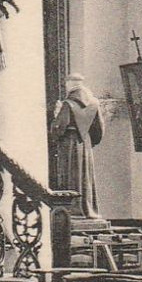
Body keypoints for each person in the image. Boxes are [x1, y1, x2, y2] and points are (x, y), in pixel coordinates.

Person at [51, 72, 104, 218]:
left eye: (67, 83)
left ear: (70, 84)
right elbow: (99, 130)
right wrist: (87, 140)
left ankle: (73, 211)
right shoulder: (94, 103)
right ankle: (89, 210)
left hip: (68, 143)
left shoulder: (68, 104)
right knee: (85, 176)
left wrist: (55, 117)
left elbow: (58, 128)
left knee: (70, 176)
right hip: (85, 143)